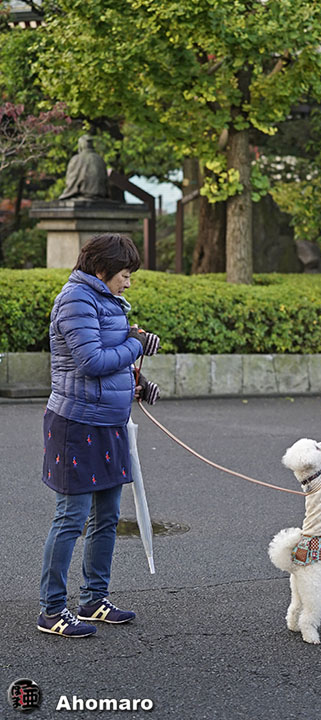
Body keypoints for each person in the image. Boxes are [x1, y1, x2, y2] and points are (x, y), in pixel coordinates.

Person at [38, 233, 160, 637]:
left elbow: (111, 361)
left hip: (108, 422)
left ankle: (93, 599)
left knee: (106, 516)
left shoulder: (106, 301)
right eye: (124, 274)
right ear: (102, 269)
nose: (129, 282)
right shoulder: (76, 299)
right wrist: (136, 345)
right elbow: (91, 362)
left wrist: (137, 384)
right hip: (76, 423)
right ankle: (52, 610)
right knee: (71, 518)